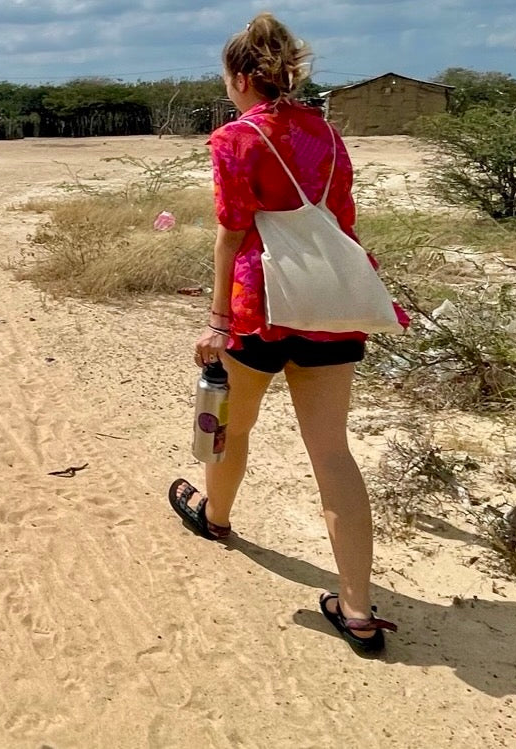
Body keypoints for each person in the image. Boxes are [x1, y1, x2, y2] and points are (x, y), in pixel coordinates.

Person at [166, 13, 409, 654]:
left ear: (244, 77)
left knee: (231, 424)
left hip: (260, 305)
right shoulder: (327, 134)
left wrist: (217, 320)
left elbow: (231, 232)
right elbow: (341, 218)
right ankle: (357, 609)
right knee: (332, 452)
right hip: (330, 306)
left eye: (227, 79)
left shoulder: (235, 139)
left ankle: (215, 518)